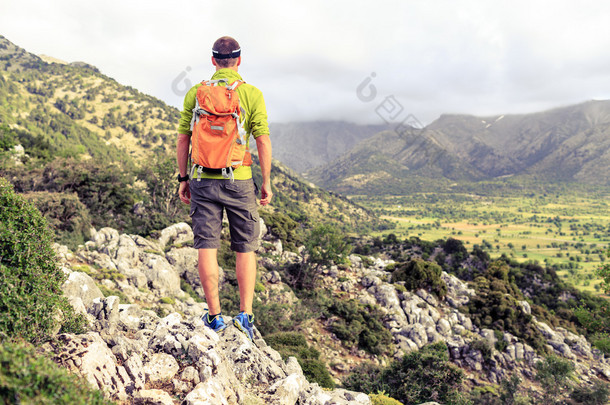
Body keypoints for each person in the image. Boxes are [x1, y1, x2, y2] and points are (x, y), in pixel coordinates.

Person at [176, 36, 272, 341]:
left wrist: (183, 178)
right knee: (246, 246)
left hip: (202, 178)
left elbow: (183, 138)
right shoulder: (252, 94)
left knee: (207, 245)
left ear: (214, 60)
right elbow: (263, 140)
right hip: (240, 178)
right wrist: (266, 182)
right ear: (239, 61)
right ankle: (245, 315)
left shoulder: (196, 92)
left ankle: (215, 317)